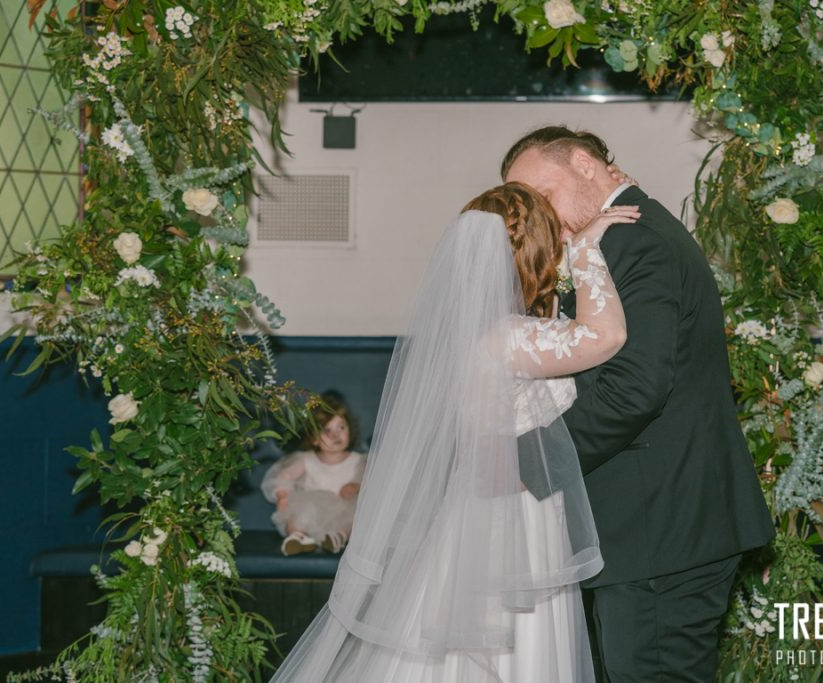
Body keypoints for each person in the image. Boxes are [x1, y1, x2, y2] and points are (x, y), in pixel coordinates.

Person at [268, 182, 640, 683]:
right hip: (516, 523)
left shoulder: (480, 334)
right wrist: (586, 250)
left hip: (483, 512)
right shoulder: (508, 337)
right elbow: (607, 336)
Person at [503, 126, 776, 683]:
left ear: (584, 164)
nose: (541, 215)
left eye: (544, 194)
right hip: (652, 526)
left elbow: (634, 389)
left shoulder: (635, 241)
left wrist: (529, 460)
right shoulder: (615, 236)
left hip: (660, 526)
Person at [262, 392, 365, 555]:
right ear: (314, 438)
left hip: (343, 511)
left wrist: (356, 487)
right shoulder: (306, 460)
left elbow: (371, 482)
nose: (335, 435)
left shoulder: (359, 461)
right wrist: (282, 495)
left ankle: (339, 537)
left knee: (356, 517)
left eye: (341, 427)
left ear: (350, 430)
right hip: (313, 513)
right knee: (297, 513)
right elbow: (282, 476)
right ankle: (297, 537)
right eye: (327, 430)